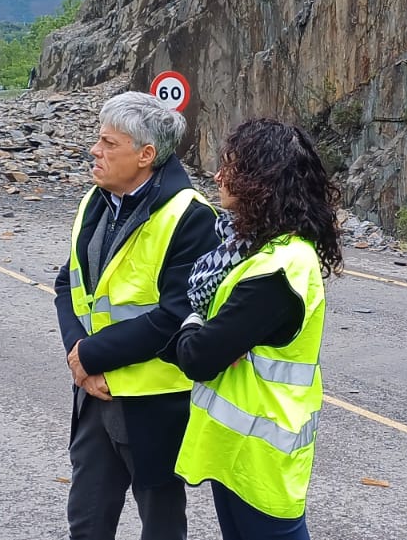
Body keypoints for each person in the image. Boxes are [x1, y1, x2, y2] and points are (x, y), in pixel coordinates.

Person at [161, 118, 344, 540]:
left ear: (262, 181)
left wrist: (193, 320)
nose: (219, 176)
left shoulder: (278, 269)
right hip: (242, 454)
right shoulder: (260, 249)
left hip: (261, 462)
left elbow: (199, 356)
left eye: (232, 168)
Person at [54, 91, 220, 540]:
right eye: (98, 139)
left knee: (161, 522)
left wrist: (91, 356)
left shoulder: (190, 216)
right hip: (92, 394)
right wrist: (79, 356)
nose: (95, 150)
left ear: (146, 155)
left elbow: (177, 315)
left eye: (109, 143)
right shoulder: (95, 199)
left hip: (153, 403)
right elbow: (67, 285)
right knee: (86, 521)